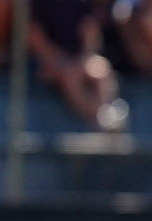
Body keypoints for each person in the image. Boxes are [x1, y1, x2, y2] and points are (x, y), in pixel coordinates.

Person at [28, 0, 128, 131]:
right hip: (49, 63)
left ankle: (105, 118)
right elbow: (36, 40)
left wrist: (83, 59)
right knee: (70, 76)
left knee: (101, 70)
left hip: (80, 60)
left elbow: (90, 32)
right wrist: (63, 63)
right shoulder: (38, 5)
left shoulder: (81, 3)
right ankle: (101, 122)